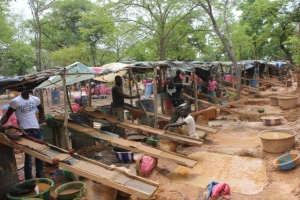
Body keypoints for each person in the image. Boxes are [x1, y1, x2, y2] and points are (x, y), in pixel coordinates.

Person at [0, 89, 45, 180]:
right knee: (29, 158)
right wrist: (0, 124)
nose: (32, 88)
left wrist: (40, 123)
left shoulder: (35, 99)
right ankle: (29, 180)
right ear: (24, 88)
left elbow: (41, 109)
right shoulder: (15, 101)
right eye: (30, 87)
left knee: (40, 155)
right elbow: (7, 115)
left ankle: (40, 177)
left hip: (37, 130)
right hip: (26, 132)